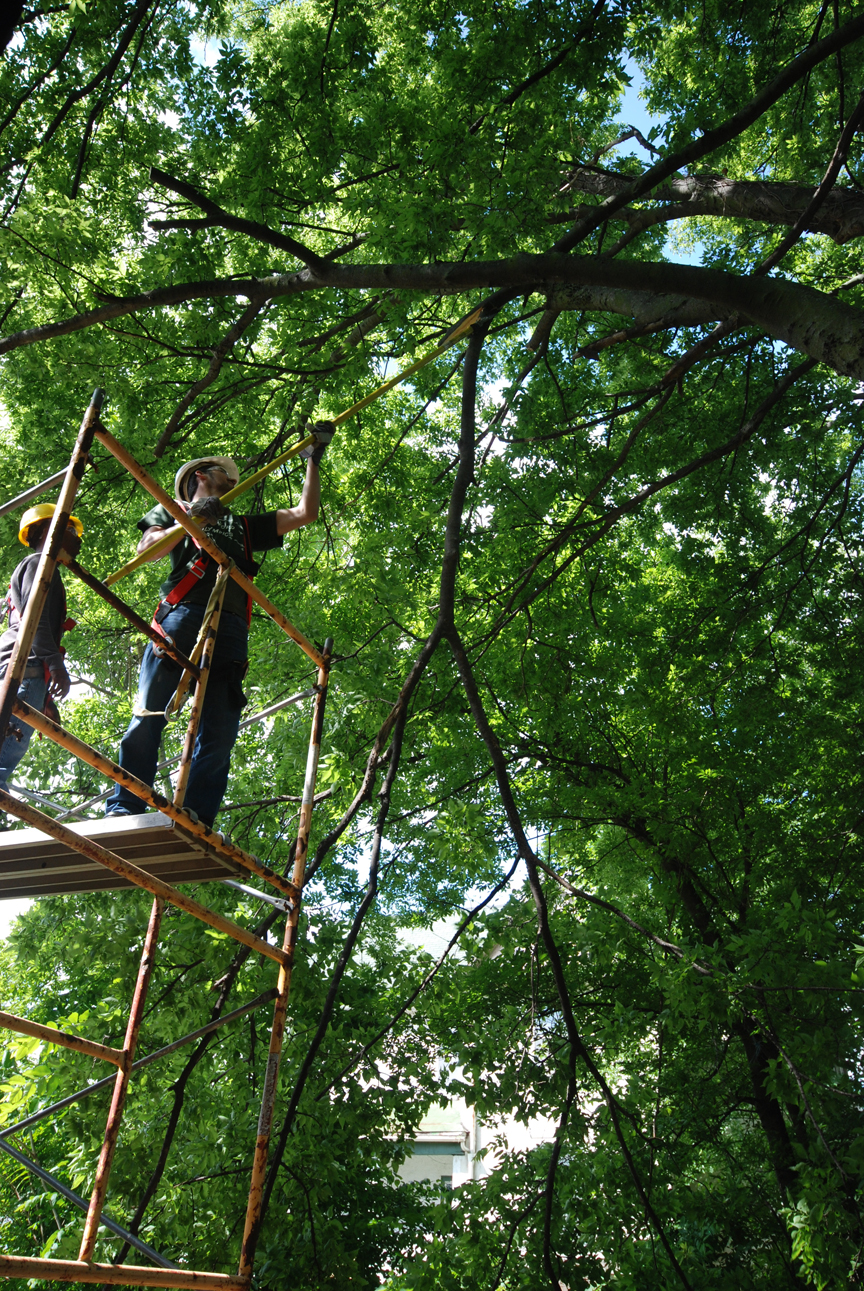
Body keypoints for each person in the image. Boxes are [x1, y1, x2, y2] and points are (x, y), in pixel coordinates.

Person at [105, 429, 332, 827]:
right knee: (150, 708)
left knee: (220, 726)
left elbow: (304, 514)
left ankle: (197, 815)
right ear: (200, 476)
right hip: (182, 614)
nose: (231, 480)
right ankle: (127, 803)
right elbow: (148, 549)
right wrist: (191, 516)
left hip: (230, 626)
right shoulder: (171, 508)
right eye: (223, 473)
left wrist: (313, 459)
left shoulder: (242, 525)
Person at [0, 503, 82, 802]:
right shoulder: (39, 563)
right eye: (70, 529)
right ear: (48, 530)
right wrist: (55, 665)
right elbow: (33, 621)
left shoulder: (38, 567)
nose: (77, 538)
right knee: (4, 757)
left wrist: (44, 695)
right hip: (24, 669)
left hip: (25, 670)